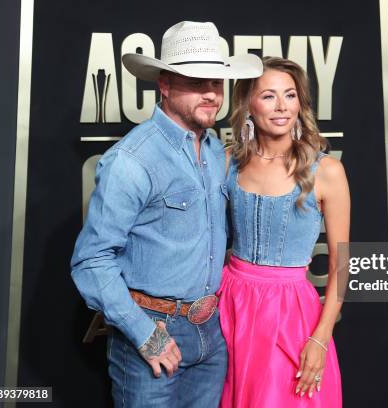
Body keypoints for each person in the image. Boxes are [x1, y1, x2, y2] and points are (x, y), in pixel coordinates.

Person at [70, 21, 262, 407]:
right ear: (165, 84)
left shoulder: (212, 149)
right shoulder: (132, 160)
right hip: (155, 332)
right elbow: (91, 261)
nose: (211, 93)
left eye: (217, 82)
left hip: (211, 332)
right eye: (196, 81)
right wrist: (145, 334)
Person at [218, 57, 349, 407]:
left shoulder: (328, 171)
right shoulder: (227, 161)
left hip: (291, 313)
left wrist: (321, 338)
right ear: (248, 104)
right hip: (231, 306)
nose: (281, 107)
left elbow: (341, 263)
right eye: (269, 96)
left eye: (290, 96)